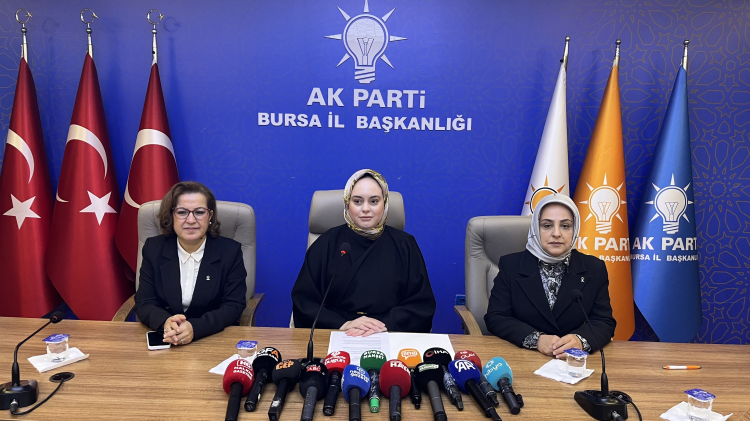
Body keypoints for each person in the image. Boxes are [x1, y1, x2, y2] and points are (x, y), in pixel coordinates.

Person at [292, 169, 436, 336]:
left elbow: (421, 304)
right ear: (347, 203)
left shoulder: (405, 244)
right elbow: (304, 301)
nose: (365, 209)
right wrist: (343, 324)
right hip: (337, 332)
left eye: (374, 201)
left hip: (389, 333)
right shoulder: (327, 242)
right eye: (357, 201)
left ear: (385, 203)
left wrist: (384, 325)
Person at [484, 193, 616, 358]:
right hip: (524, 357)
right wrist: (536, 340)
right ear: (535, 228)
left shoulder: (594, 268)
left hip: (573, 361)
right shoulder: (511, 265)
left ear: (575, 229)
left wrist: (580, 340)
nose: (557, 233)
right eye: (547, 225)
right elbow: (496, 317)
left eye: (565, 226)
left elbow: (603, 321)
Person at [135, 181, 247, 345]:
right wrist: (166, 323)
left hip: (212, 338)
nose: (191, 220)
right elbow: (145, 302)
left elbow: (233, 305)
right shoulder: (154, 249)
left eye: (199, 212)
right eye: (182, 212)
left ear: (210, 216)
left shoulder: (230, 251)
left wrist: (195, 328)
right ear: (171, 215)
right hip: (167, 337)